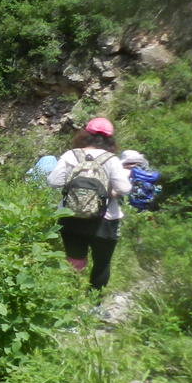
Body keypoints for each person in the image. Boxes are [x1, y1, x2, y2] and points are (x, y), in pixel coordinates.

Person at [46, 117, 132, 294]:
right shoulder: (111, 160)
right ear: (110, 139)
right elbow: (124, 188)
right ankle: (94, 303)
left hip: (71, 217)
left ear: (85, 134)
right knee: (102, 263)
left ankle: (70, 299)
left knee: (74, 261)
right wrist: (110, 192)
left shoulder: (71, 155)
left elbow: (54, 181)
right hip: (105, 220)